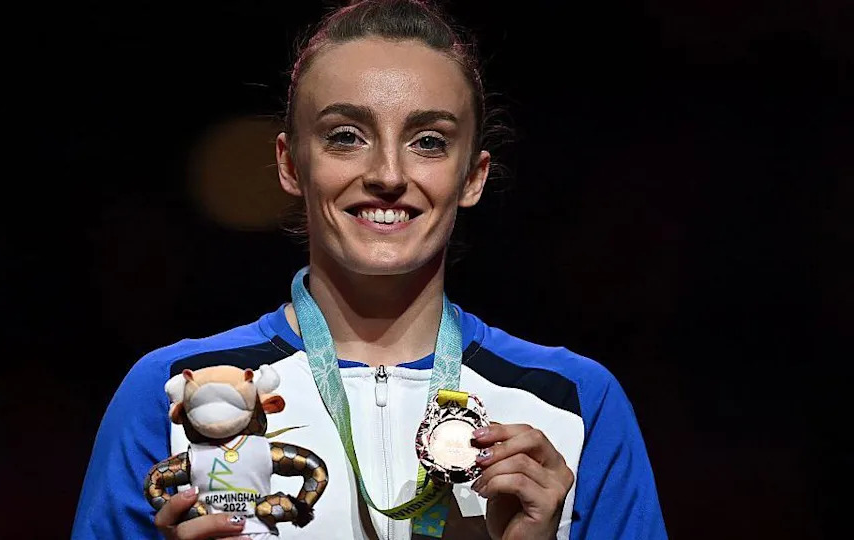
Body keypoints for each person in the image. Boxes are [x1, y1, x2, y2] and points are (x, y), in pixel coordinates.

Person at [72, 1, 667, 539]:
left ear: (474, 176)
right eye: (346, 136)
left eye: (429, 140)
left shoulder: (573, 402)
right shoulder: (172, 390)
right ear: (291, 164)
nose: (387, 172)